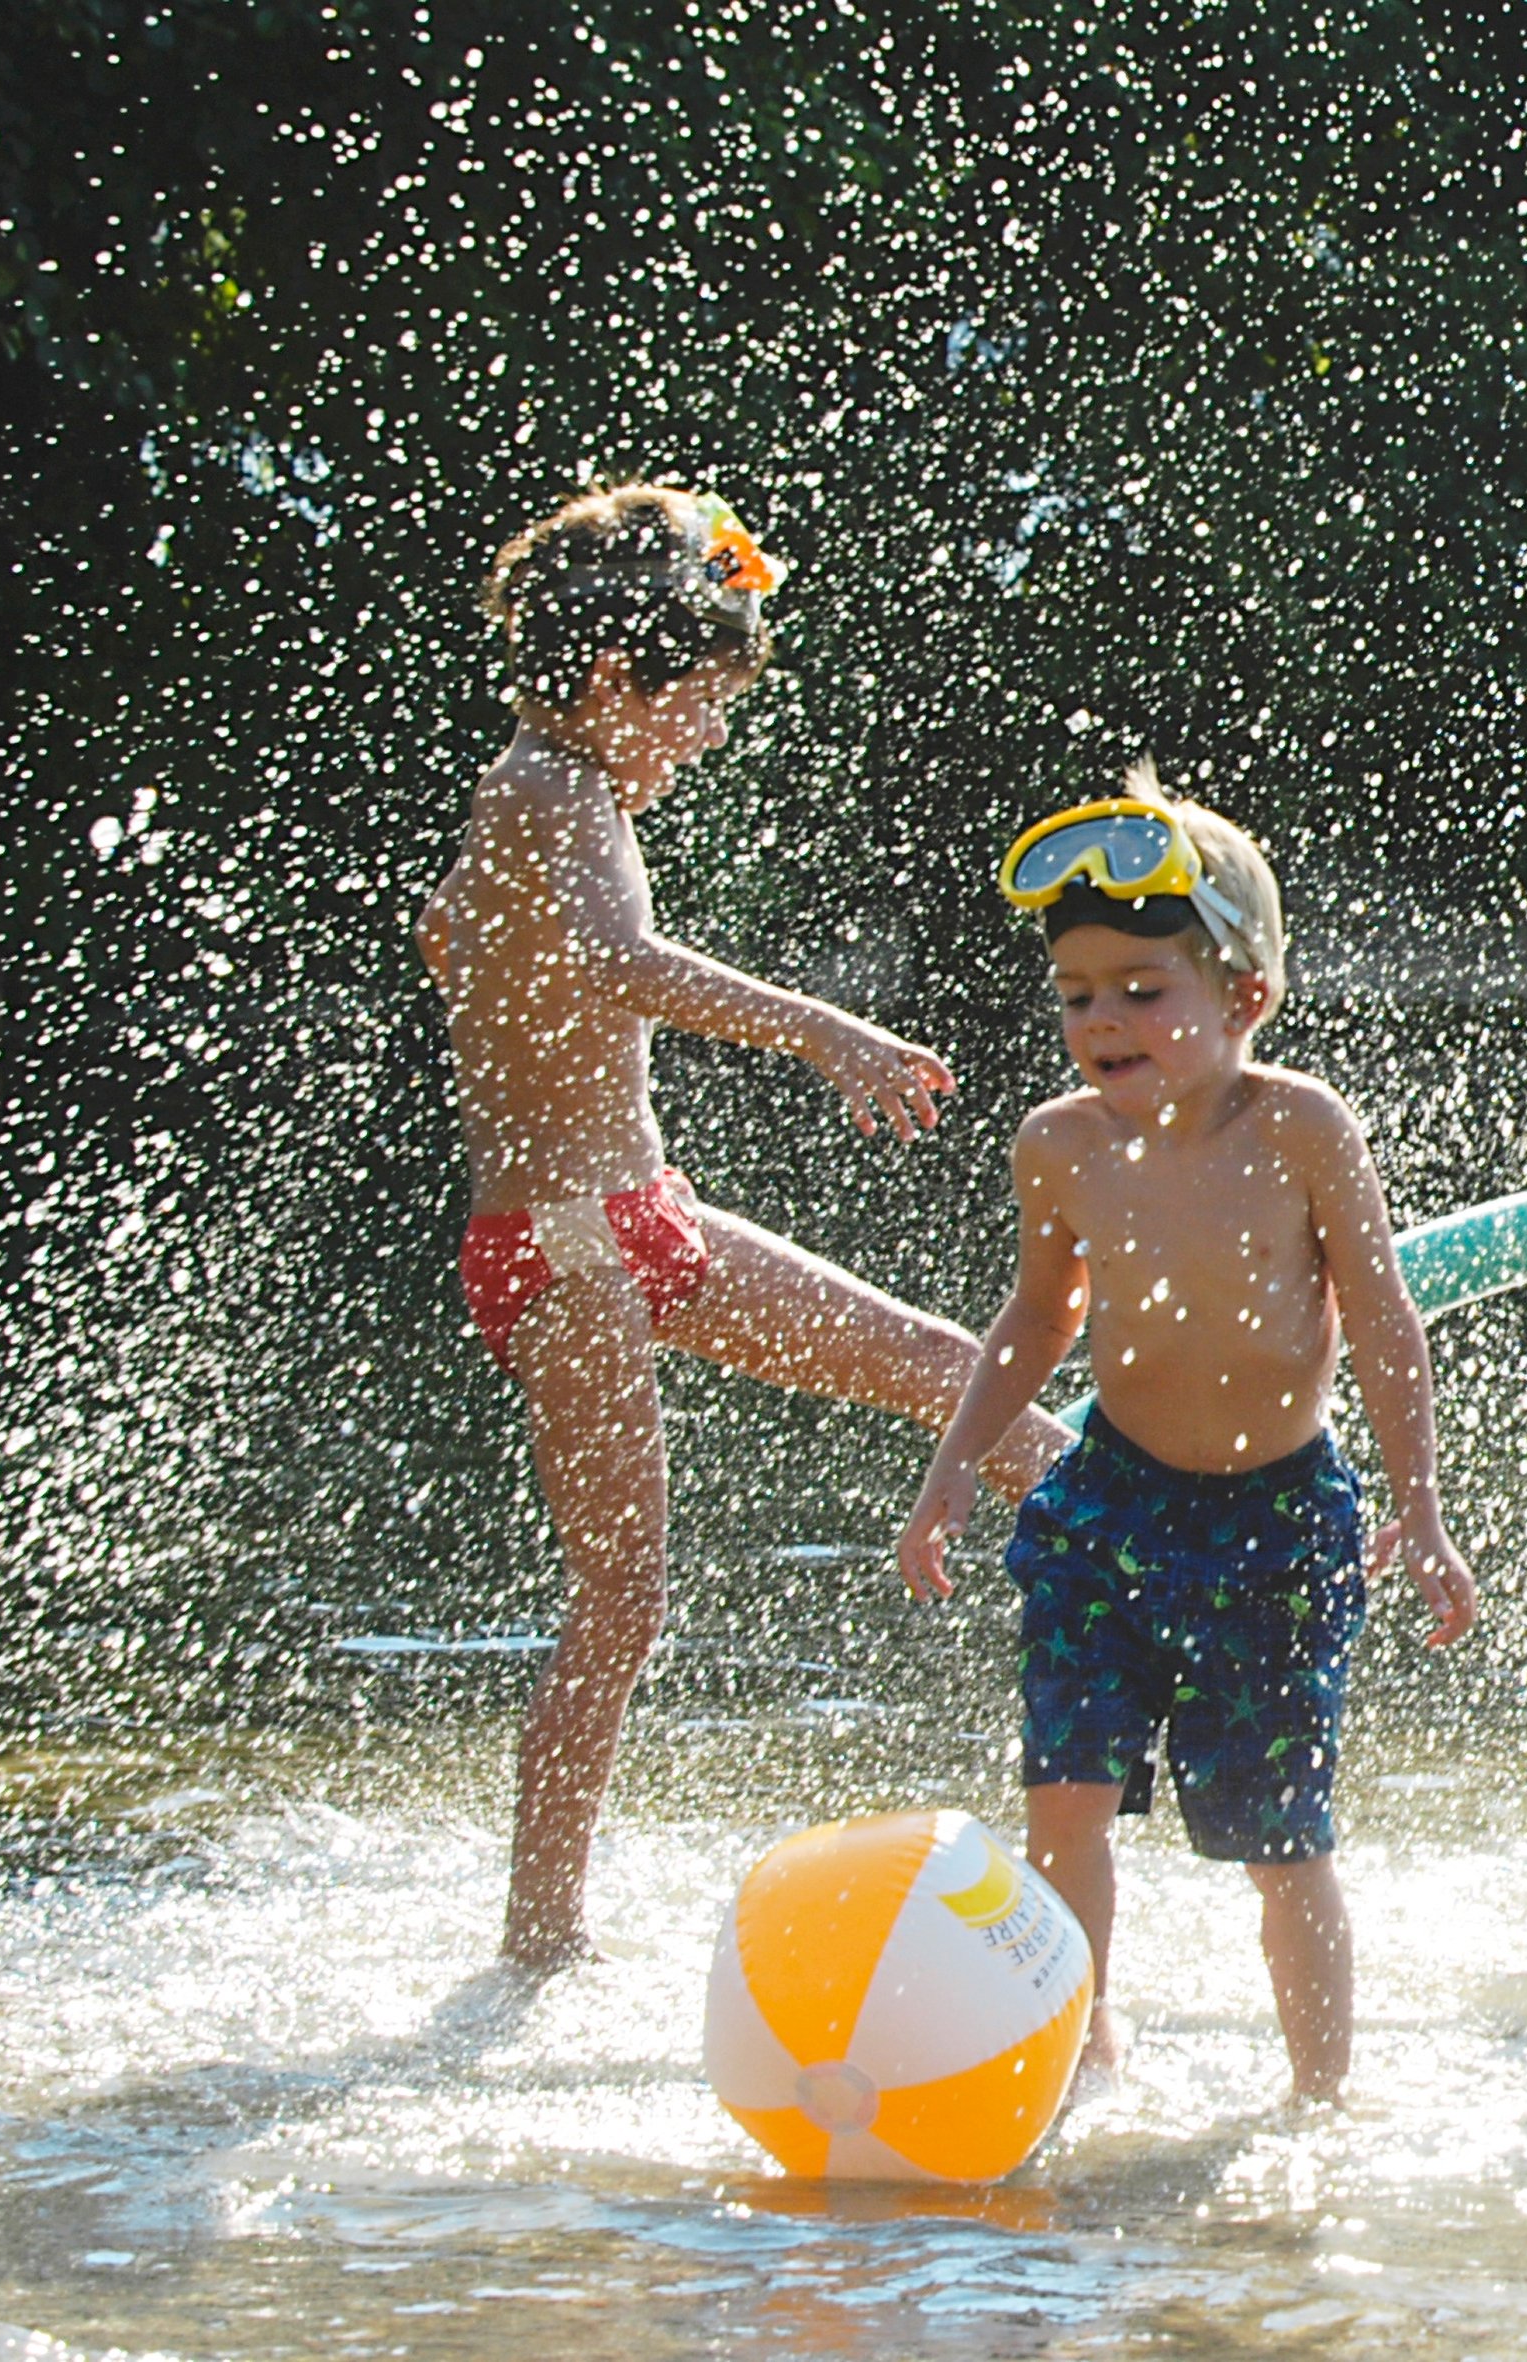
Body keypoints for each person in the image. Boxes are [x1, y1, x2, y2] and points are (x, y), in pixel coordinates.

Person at [420, 481, 1073, 1972]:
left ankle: (1152, 1541)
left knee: (937, 1360)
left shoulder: (540, 797)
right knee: (622, 1594)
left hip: (635, 1218)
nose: (708, 737)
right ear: (610, 678)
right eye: (699, 705)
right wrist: (824, 1030)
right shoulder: (549, 789)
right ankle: (540, 1941)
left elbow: (470, 935)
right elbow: (620, 963)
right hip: (568, 1247)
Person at [896, 769, 1478, 2104]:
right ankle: (1078, 2049)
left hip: (1278, 1525)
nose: (1103, 1019)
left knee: (1285, 1845)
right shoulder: (1059, 1146)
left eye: (1142, 989)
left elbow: (1383, 1318)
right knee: (1065, 1801)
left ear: (1245, 997)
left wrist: (1422, 1506)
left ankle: (1319, 2099)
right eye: (1076, 994)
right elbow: (1036, 1318)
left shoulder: (1301, 1129)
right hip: (1108, 1508)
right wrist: (949, 1474)